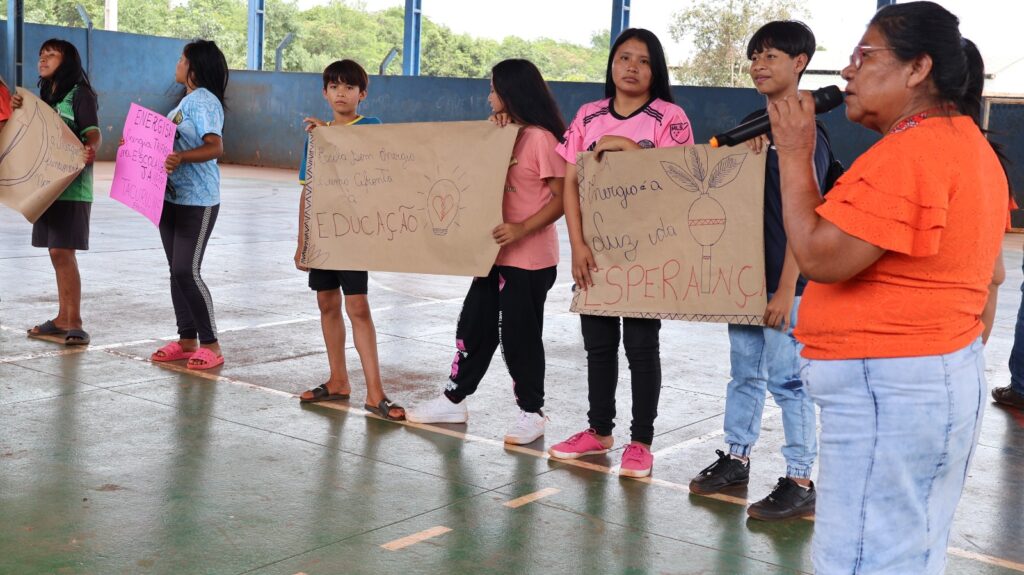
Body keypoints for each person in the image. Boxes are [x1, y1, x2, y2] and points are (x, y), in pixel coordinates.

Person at [768, 2, 1009, 572]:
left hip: (891, 391)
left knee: (862, 560)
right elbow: (992, 277)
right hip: (930, 377)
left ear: (917, 67)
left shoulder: (912, 151)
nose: (846, 72)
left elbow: (822, 256)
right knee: (905, 552)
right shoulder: (964, 143)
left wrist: (796, 152)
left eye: (863, 55)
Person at [689, 20, 827, 521]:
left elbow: (809, 216)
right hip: (745, 281)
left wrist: (786, 286)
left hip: (784, 286)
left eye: (770, 56)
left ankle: (799, 478)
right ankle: (736, 458)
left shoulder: (807, 129)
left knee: (789, 383)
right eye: (754, 57)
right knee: (743, 374)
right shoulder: (751, 124)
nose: (758, 66)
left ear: (800, 63)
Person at [547, 28, 694, 478]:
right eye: (624, 57)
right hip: (597, 252)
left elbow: (680, 180)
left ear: (656, 70)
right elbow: (570, 183)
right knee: (598, 346)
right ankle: (599, 431)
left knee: (642, 347)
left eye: (644, 61)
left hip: (649, 251)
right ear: (611, 64)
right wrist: (578, 245)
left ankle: (641, 441)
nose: (632, 67)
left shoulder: (670, 117)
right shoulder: (589, 115)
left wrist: (630, 151)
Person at [405, 59, 567, 444]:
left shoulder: (541, 139)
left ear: (512, 92)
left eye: (494, 89)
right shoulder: (499, 133)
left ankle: (532, 412)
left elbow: (562, 200)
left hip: (530, 260)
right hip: (491, 256)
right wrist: (496, 136)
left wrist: (521, 229)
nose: (489, 95)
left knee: (519, 336)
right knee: (474, 326)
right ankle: (454, 400)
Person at [292, 59, 404, 421]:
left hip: (354, 234)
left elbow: (365, 154)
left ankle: (376, 393)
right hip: (323, 234)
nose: (341, 93)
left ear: (362, 94)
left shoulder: (370, 127)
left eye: (349, 87)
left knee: (358, 308)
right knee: (327, 304)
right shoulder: (316, 138)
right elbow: (307, 191)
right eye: (334, 87)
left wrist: (327, 131)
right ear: (325, 93)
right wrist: (302, 240)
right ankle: (338, 380)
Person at [149, 40, 228, 370]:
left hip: (199, 200)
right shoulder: (183, 103)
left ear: (194, 67)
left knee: (186, 270)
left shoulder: (205, 102)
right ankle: (186, 339)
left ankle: (211, 343)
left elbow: (215, 146)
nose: (177, 63)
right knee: (175, 272)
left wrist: (180, 157)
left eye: (182, 59)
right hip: (171, 198)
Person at [18, 39, 100, 346]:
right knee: (56, 252)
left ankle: (74, 320)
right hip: (47, 187)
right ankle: (63, 317)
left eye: (51, 55)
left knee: (64, 251)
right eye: (41, 54)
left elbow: (92, 131)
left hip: (73, 188)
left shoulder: (81, 95)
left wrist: (90, 148)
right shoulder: (44, 96)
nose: (43, 59)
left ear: (67, 62)